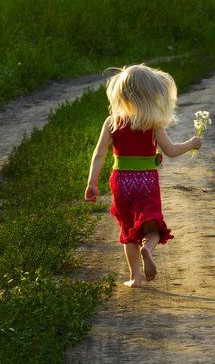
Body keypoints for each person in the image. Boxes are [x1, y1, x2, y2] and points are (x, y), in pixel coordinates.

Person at [84, 64, 202, 287]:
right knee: (152, 225)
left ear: (120, 92)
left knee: (128, 229)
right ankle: (148, 248)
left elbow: (99, 154)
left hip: (121, 181)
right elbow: (171, 150)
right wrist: (192, 143)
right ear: (152, 94)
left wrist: (92, 182)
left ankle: (134, 277)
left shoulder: (112, 122)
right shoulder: (153, 122)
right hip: (146, 181)